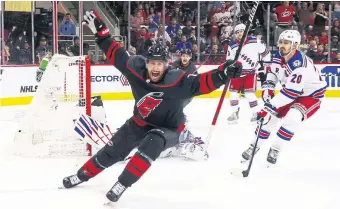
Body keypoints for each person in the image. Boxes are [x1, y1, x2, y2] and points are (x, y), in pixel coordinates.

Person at [61, 10, 242, 203]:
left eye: (160, 64)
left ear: (167, 65)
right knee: (112, 151)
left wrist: (224, 73)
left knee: (153, 141)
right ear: (146, 63)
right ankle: (81, 175)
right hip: (139, 122)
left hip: (169, 129)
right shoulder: (134, 68)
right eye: (153, 63)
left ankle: (123, 182)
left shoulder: (176, 80)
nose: (156, 68)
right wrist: (101, 34)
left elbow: (201, 83)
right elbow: (116, 53)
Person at [241, 30, 327, 166]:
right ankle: (254, 146)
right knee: (269, 120)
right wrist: (268, 88)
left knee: (292, 118)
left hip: (311, 95)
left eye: (286, 43)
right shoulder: (279, 56)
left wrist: (268, 108)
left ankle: (275, 149)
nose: (282, 45)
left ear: (295, 45)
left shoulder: (299, 64)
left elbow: (291, 93)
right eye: (281, 42)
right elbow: (273, 74)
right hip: (292, 91)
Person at [226, 23, 271, 124]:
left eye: (241, 31)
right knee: (233, 94)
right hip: (236, 73)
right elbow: (229, 60)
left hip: (251, 72)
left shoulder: (255, 41)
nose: (239, 34)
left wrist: (266, 65)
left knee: (249, 94)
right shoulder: (232, 45)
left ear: (246, 31)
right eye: (237, 32)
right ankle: (234, 113)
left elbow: (266, 53)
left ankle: (255, 113)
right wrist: (231, 66)